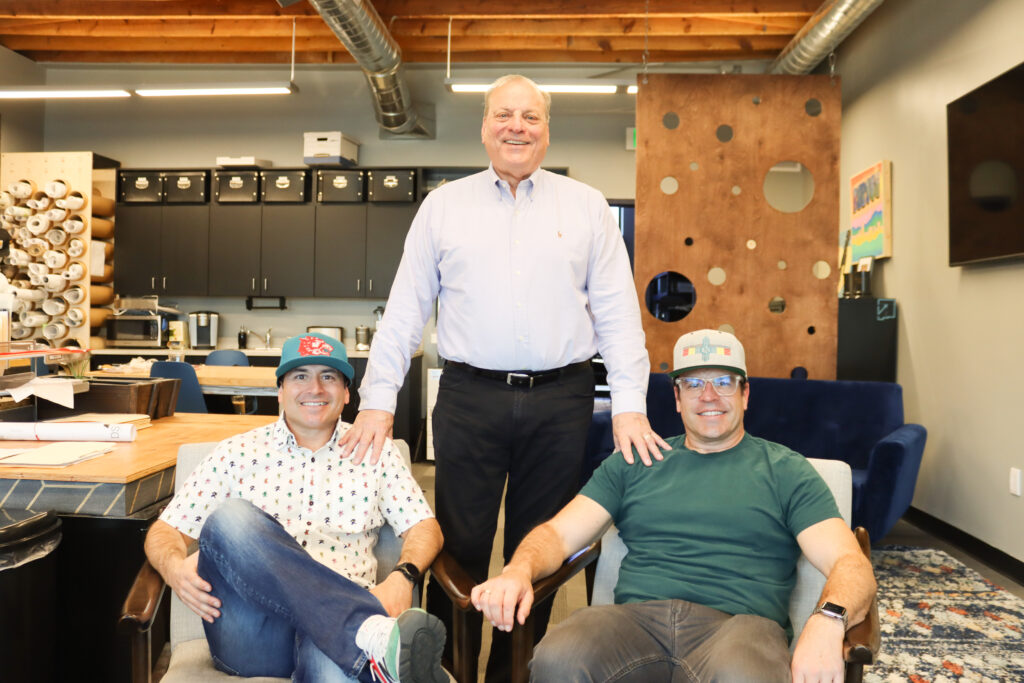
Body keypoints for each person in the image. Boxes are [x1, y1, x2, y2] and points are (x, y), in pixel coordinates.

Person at [339, 74, 669, 679]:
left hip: (562, 399)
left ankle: (511, 672)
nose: (517, 126)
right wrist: (378, 399)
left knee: (540, 547)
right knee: (457, 545)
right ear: (485, 127)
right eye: (504, 115)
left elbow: (620, 316)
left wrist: (629, 403)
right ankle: (446, 668)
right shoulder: (444, 206)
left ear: (547, 131)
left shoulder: (587, 207)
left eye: (531, 117)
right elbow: (405, 309)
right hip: (469, 396)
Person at [471, 329, 878, 683]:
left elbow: (850, 563)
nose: (710, 396)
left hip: (739, 628)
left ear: (745, 393)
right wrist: (518, 569)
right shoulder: (635, 462)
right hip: (634, 623)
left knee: (745, 676)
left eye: (723, 381)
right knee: (558, 658)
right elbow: (557, 535)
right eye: (694, 384)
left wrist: (829, 619)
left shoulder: (787, 470)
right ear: (678, 398)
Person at [144, 332, 447, 683]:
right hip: (252, 632)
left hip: (333, 641)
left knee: (336, 668)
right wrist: (172, 567)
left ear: (347, 393)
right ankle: (362, 627)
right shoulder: (234, 453)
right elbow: (165, 531)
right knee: (231, 517)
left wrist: (403, 576)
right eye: (300, 376)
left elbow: (425, 527)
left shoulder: (377, 453)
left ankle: (359, 636)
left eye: (328, 377)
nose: (315, 388)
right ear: (280, 390)